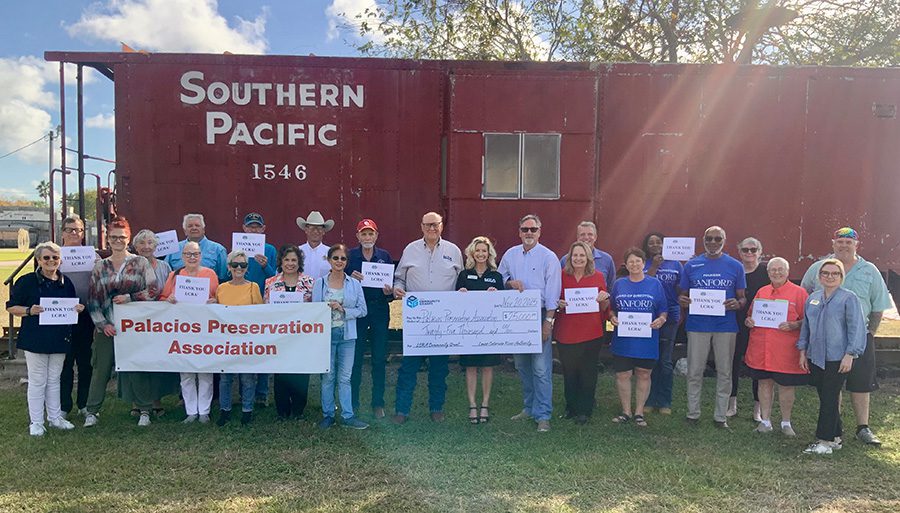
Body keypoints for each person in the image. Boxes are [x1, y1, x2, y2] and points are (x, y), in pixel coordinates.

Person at [800, 227, 891, 446]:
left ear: (856, 245)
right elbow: (805, 296)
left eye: (848, 242)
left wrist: (869, 334)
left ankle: (863, 427)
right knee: (831, 386)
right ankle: (834, 426)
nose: (844, 246)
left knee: (860, 383)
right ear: (833, 244)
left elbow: (878, 307)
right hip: (827, 342)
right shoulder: (818, 268)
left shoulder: (869, 270)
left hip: (859, 339)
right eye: (840, 241)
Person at [84, 217, 157, 428]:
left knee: (136, 368)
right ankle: (92, 411)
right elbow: (93, 300)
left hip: (133, 327)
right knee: (101, 369)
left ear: (129, 238)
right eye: (114, 237)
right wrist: (102, 324)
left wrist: (131, 297)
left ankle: (144, 410)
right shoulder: (100, 266)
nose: (118, 240)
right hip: (107, 326)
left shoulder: (140, 263)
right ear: (108, 239)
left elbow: (153, 290)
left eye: (122, 237)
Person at [7, 241, 85, 436]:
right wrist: (29, 310)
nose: (51, 261)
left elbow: (71, 305)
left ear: (60, 260)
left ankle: (55, 417)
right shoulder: (26, 281)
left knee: (54, 379)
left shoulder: (66, 282)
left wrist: (77, 309)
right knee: (37, 380)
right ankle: (36, 422)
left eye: (55, 257)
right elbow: (11, 307)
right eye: (46, 257)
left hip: (59, 338)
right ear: (39, 260)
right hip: (35, 339)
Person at [392, 211, 463, 424]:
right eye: (428, 225)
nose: (432, 228)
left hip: (443, 320)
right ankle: (402, 410)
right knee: (409, 367)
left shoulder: (454, 251)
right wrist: (397, 289)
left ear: (442, 226)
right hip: (416, 320)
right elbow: (399, 279)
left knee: (439, 368)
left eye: (435, 224)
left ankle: (436, 408)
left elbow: (461, 282)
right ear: (421, 226)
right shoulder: (410, 249)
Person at [678, 226, 747, 429]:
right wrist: (682, 300)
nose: (713, 242)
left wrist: (738, 303)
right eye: (709, 238)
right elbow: (682, 294)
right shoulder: (691, 265)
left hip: (725, 325)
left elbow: (743, 297)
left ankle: (720, 416)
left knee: (725, 371)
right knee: (694, 370)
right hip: (697, 324)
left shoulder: (735, 266)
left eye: (718, 239)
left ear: (724, 241)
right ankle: (692, 414)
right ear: (703, 240)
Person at [498, 214, 561, 433]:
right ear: (519, 232)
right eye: (525, 229)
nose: (529, 233)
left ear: (539, 232)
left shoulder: (548, 257)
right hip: (517, 316)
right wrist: (510, 283)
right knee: (522, 365)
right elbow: (499, 278)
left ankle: (543, 415)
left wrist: (548, 321)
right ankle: (529, 407)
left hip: (540, 314)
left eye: (533, 229)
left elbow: (553, 292)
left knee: (541, 368)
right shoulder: (510, 254)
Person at [797, 259, 867, 455]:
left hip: (838, 357)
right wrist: (802, 351)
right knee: (826, 397)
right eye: (825, 273)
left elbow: (856, 328)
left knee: (829, 397)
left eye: (835, 273)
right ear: (819, 277)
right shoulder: (813, 298)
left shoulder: (849, 298)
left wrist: (850, 354)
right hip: (817, 357)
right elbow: (806, 327)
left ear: (841, 276)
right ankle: (836, 437)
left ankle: (824, 441)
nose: (830, 277)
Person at [744, 257, 808, 436]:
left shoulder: (799, 293)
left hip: (785, 350)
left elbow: (809, 319)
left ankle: (786, 422)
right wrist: (749, 321)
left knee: (786, 386)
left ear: (788, 272)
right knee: (764, 383)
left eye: (781, 269)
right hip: (762, 349)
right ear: (768, 273)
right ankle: (765, 421)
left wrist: (795, 325)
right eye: (773, 270)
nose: (777, 273)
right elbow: (750, 315)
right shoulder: (762, 291)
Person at [159, 241, 219, 423]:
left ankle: (204, 411)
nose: (192, 257)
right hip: (182, 329)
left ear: (201, 256)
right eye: (188, 254)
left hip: (204, 328)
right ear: (182, 256)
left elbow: (218, 297)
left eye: (196, 254)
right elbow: (162, 298)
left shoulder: (210, 274)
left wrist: (214, 301)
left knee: (205, 371)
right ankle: (191, 411)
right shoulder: (174, 275)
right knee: (186, 372)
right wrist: (167, 299)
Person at [313, 244, 370, 430]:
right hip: (326, 336)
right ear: (329, 260)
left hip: (347, 336)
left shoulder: (354, 284)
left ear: (347, 262)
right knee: (328, 377)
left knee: (345, 377)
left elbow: (363, 310)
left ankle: (348, 415)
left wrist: (343, 309)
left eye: (343, 258)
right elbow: (313, 310)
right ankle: (328, 415)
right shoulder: (320, 283)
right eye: (335, 258)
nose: (339, 261)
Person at [609, 248, 667, 427]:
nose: (634, 264)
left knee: (643, 374)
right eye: (631, 261)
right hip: (624, 339)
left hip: (646, 339)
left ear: (644, 263)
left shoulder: (655, 284)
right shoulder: (619, 284)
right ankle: (626, 411)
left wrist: (661, 319)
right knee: (623, 374)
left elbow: (663, 310)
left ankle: (639, 412)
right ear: (626, 265)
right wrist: (612, 317)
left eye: (638, 261)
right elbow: (612, 308)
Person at [553, 241, 609, 425]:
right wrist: (558, 304)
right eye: (575, 255)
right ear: (570, 258)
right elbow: (553, 301)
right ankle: (571, 406)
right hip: (566, 333)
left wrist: (604, 298)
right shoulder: (560, 276)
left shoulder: (598, 276)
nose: (578, 259)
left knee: (588, 372)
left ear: (588, 258)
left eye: (582, 255)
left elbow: (604, 307)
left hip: (591, 333)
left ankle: (585, 409)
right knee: (569, 372)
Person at [346, 219, 394, 419]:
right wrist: (350, 278)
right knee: (355, 358)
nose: (367, 237)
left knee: (379, 358)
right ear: (358, 236)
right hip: (357, 311)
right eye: (363, 234)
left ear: (376, 235)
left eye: (370, 233)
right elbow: (341, 283)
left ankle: (378, 403)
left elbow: (390, 288)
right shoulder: (350, 256)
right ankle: (353, 402)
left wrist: (389, 291)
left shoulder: (384, 256)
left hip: (379, 309)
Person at [455, 236, 505, 424]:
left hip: (489, 330)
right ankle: (472, 405)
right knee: (470, 367)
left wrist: (496, 295)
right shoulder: (464, 275)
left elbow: (503, 304)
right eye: (478, 250)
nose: (481, 254)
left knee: (487, 366)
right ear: (472, 253)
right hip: (469, 330)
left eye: (484, 250)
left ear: (489, 253)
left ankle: (485, 404)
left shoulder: (496, 276)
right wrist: (460, 294)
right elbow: (455, 303)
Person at [265, 245, 316, 421]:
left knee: (300, 372)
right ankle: (282, 410)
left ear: (299, 262)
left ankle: (298, 410)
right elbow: (265, 309)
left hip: (302, 335)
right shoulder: (270, 283)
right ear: (281, 262)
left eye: (294, 260)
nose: (290, 263)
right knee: (281, 372)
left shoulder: (310, 283)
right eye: (286, 260)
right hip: (279, 335)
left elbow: (315, 308)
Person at [131, 229, 178, 416]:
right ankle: (137, 402)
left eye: (150, 243)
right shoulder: (129, 265)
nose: (146, 247)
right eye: (142, 243)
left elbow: (169, 290)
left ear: (156, 246)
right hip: (136, 320)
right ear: (136, 247)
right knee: (136, 359)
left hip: (159, 320)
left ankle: (156, 400)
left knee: (156, 359)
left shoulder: (165, 267)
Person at [215, 250, 263, 426]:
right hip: (226, 341)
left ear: (247, 268)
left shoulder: (253, 287)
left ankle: (247, 411)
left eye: (243, 265)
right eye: (235, 264)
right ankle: (225, 410)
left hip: (247, 339)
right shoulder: (221, 288)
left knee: (247, 378)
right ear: (229, 267)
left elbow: (260, 313)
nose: (239, 268)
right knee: (225, 378)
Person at [57, 214, 97, 419]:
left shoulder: (92, 255)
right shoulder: (54, 254)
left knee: (85, 362)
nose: (74, 233)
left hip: (86, 315)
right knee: (64, 363)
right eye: (70, 229)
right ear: (62, 232)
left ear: (83, 233)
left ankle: (84, 404)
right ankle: (64, 406)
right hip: (61, 316)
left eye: (78, 230)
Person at [642, 232, 683, 415]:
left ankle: (665, 401)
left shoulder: (676, 264)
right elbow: (645, 283)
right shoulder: (643, 263)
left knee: (665, 361)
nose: (655, 245)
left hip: (670, 315)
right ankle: (649, 400)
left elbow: (681, 289)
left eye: (658, 242)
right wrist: (654, 266)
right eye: (651, 243)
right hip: (648, 316)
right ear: (646, 246)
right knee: (650, 359)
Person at [730, 237, 770, 420]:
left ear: (760, 252)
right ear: (739, 252)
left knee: (758, 366)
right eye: (745, 250)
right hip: (735, 321)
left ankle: (757, 409)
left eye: (753, 250)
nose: (749, 253)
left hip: (759, 324)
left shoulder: (766, 272)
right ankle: (731, 404)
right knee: (733, 362)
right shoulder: (735, 270)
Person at [241, 212, 277, 407]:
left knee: (263, 348)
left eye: (257, 226)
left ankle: (262, 392)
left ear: (263, 229)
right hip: (241, 304)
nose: (253, 230)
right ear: (244, 229)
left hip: (263, 304)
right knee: (242, 348)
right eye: (250, 226)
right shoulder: (238, 248)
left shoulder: (270, 250)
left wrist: (265, 266)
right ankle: (244, 392)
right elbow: (228, 274)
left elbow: (275, 278)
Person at [165, 213, 228, 281]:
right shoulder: (174, 249)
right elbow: (165, 274)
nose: (194, 228)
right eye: (190, 226)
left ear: (203, 229)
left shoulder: (218, 250)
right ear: (185, 231)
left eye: (197, 225)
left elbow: (224, 278)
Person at [296, 210, 334, 280]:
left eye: (319, 228)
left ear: (323, 231)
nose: (316, 231)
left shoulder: (331, 253)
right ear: (306, 230)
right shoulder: (297, 252)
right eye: (312, 228)